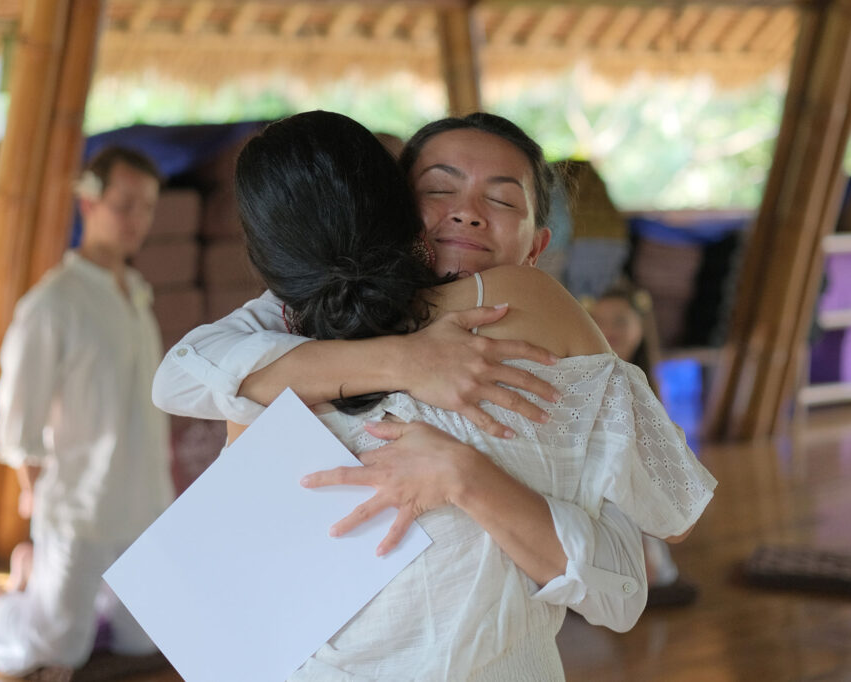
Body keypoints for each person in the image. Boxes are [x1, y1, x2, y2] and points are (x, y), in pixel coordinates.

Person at [181, 110, 714, 678]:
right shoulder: (293, 322)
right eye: (439, 189)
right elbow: (186, 383)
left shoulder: (522, 301)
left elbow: (672, 507)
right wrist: (404, 360)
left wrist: (463, 474)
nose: (468, 211)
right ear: (392, 213)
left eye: (503, 200)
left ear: (537, 245)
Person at [0, 146, 175, 676]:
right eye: (125, 204)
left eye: (147, 206)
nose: (137, 219)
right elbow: (18, 427)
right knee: (51, 655)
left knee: (142, 643)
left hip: (147, 506)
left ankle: (34, 581)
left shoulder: (136, 293)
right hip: (80, 511)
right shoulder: (53, 305)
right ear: (88, 203)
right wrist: (40, 500)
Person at [584, 283, 700, 607]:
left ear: (640, 327)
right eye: (598, 320)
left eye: (620, 321)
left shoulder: (645, 385)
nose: (608, 330)